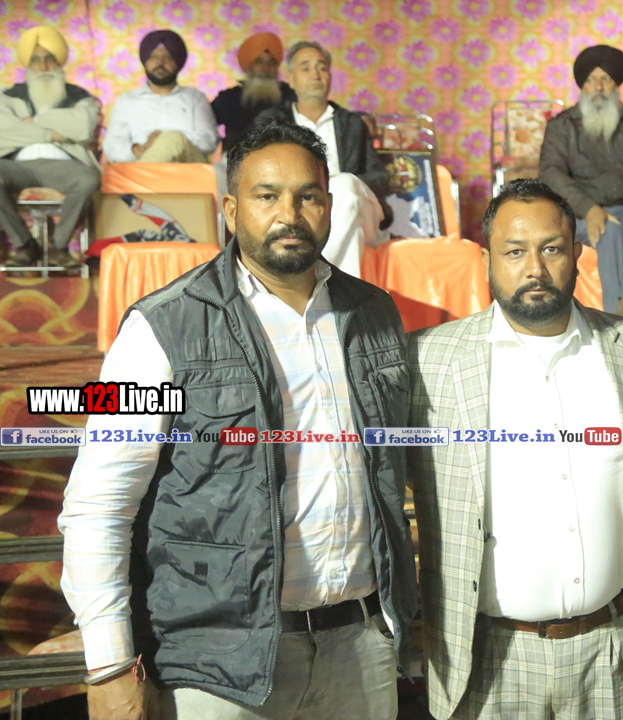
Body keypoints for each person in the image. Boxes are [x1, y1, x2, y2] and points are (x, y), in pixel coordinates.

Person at [58, 120, 417, 720]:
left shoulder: (373, 313)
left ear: (330, 207)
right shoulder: (160, 327)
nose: (289, 215)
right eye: (266, 195)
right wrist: (111, 666)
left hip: (359, 648)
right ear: (231, 210)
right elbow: (100, 504)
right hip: (215, 663)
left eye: (308, 196)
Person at [407, 178, 623, 720]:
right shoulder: (428, 360)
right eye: (514, 252)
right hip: (487, 659)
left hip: (613, 650)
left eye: (551, 249)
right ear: (487, 260)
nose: (535, 268)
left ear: (577, 253)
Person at [539, 45, 623, 318]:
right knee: (608, 231)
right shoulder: (562, 126)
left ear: (616, 84)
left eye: (605, 79)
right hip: (581, 214)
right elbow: (551, 174)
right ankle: (616, 318)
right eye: (591, 80)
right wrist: (589, 209)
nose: (598, 87)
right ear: (582, 86)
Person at [256, 41, 389, 279]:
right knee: (351, 230)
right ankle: (338, 294)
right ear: (291, 79)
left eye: (322, 68)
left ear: (330, 76)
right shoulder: (273, 122)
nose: (315, 74)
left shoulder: (352, 123)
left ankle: (308, 272)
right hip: (299, 213)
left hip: (360, 207)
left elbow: (380, 177)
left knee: (345, 186)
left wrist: (337, 184)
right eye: (306, 68)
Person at [0, 26, 100, 269]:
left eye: (49, 59)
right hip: (16, 164)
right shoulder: (9, 95)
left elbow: (82, 127)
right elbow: (3, 131)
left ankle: (58, 246)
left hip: (64, 165)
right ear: (27, 64)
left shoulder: (79, 96)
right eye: (35, 60)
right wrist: (51, 134)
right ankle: (24, 244)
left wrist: (34, 121)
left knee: (88, 179)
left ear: (59, 61)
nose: (43, 66)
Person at [103, 30, 218, 164]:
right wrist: (140, 149)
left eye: (168, 57)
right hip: (142, 159)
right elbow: (112, 148)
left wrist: (169, 142)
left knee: (173, 138)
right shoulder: (127, 100)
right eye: (153, 56)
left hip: (188, 165)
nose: (160, 62)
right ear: (145, 62)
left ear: (178, 63)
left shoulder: (195, 97)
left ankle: (143, 176)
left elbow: (209, 142)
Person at [212, 32, 297, 154]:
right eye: (259, 61)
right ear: (248, 67)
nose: (265, 68)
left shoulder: (290, 95)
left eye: (271, 62)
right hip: (237, 158)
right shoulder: (228, 98)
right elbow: (204, 127)